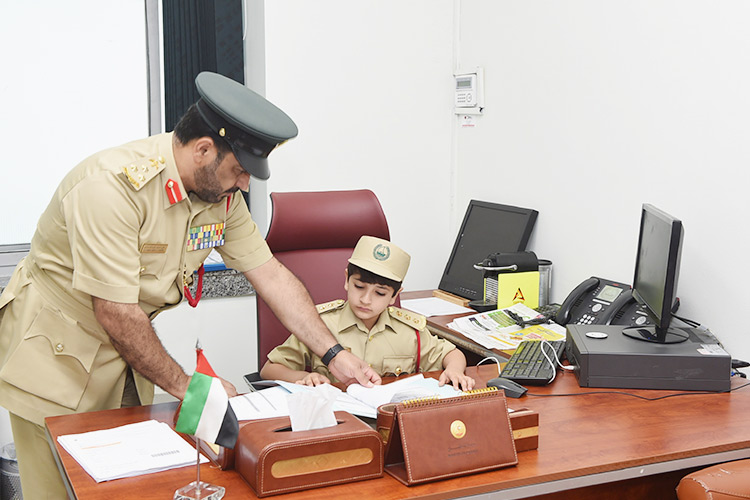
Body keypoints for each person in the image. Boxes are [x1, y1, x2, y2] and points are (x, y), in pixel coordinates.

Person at [0, 72, 380, 499]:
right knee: (61, 492)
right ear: (203, 150)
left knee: (130, 487)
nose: (245, 184)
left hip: (124, 357)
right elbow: (116, 311)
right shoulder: (111, 188)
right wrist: (189, 388)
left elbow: (269, 274)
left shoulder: (220, 195)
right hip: (56, 357)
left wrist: (335, 354)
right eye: (238, 170)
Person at [261, 236, 476, 391]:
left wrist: (455, 370)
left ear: (394, 295)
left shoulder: (409, 332)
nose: (365, 299)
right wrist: (304, 377)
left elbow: (451, 353)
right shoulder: (318, 325)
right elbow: (269, 370)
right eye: (359, 287)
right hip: (337, 420)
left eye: (380, 293)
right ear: (346, 280)